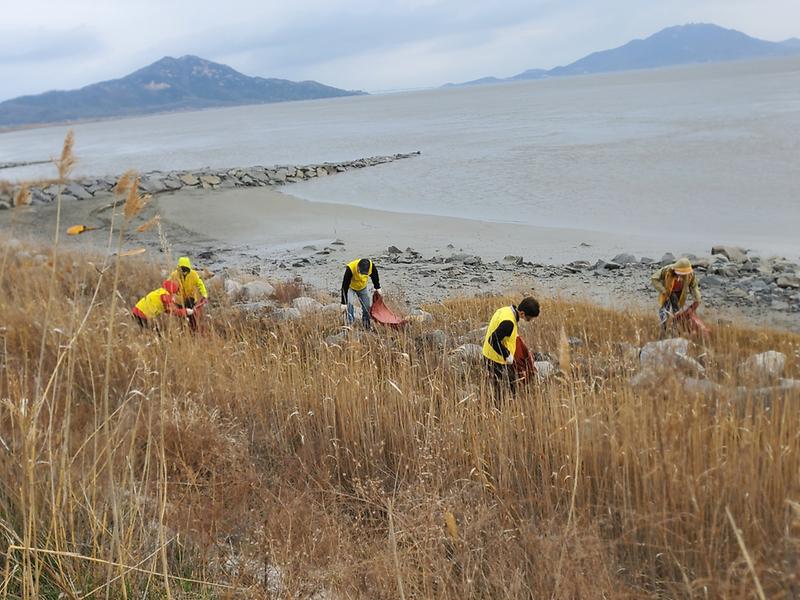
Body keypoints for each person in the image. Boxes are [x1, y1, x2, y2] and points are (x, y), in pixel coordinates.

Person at [482, 297, 540, 401]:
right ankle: (501, 407)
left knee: (506, 385)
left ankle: (503, 403)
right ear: (522, 313)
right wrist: (507, 355)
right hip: (495, 360)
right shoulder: (509, 323)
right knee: (506, 389)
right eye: (529, 318)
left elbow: (501, 333)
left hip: (489, 354)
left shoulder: (506, 311)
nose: (530, 321)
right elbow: (492, 340)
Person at [651, 257, 702, 335]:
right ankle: (663, 331)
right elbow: (654, 278)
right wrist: (663, 290)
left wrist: (697, 298)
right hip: (667, 293)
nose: (681, 276)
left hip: (679, 294)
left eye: (684, 274)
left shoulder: (690, 274)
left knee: (677, 313)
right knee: (664, 312)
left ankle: (674, 331)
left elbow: (694, 286)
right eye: (680, 273)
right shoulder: (667, 270)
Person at [340, 258, 381, 329]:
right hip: (350, 287)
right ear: (358, 267)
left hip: (362, 287)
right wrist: (343, 303)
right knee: (349, 304)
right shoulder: (350, 268)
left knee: (366, 306)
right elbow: (345, 285)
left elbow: (375, 276)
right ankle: (350, 324)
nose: (362, 275)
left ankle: (366, 325)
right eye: (361, 272)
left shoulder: (371, 266)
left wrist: (377, 288)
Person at [170, 256, 208, 331]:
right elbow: (168, 285)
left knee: (192, 317)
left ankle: (194, 329)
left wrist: (204, 294)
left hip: (191, 300)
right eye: (182, 270)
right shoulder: (174, 275)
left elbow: (200, 284)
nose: (184, 272)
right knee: (181, 317)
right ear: (179, 269)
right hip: (179, 301)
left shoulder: (193, 274)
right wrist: (169, 295)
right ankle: (183, 330)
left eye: (185, 270)